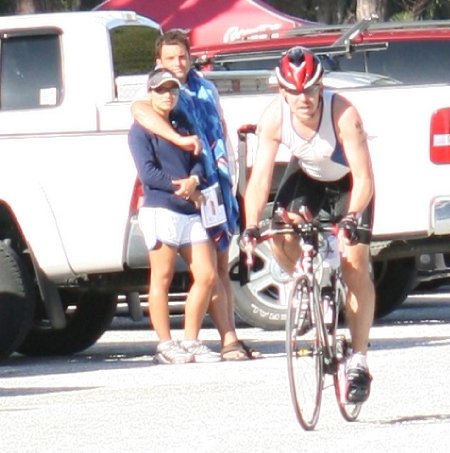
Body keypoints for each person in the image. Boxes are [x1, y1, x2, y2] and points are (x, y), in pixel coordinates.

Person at [241, 46, 376, 402]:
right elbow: (259, 182)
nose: (304, 98)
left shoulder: (344, 114)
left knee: (355, 264)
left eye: (311, 89)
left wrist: (350, 219)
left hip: (349, 185)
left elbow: (365, 179)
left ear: (321, 86)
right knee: (280, 230)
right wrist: (251, 226)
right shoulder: (273, 117)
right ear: (282, 91)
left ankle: (359, 359)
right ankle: (305, 281)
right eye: (295, 92)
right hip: (310, 177)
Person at [131, 30, 260, 360]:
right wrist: (182, 143)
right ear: (158, 61)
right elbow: (138, 111)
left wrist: (221, 175)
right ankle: (189, 341)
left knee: (218, 266)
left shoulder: (205, 87)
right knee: (184, 272)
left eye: (182, 56)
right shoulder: (158, 93)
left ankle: (228, 337)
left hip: (214, 182)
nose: (177, 63)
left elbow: (218, 129)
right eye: (170, 58)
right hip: (177, 197)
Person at [128, 68, 222, 364]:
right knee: (163, 277)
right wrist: (177, 187)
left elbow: (197, 159)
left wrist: (193, 180)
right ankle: (165, 344)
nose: (167, 95)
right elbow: (148, 173)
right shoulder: (140, 131)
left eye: (172, 90)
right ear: (150, 93)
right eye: (160, 90)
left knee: (207, 275)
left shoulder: (182, 124)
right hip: (160, 207)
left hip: (190, 207)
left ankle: (191, 339)